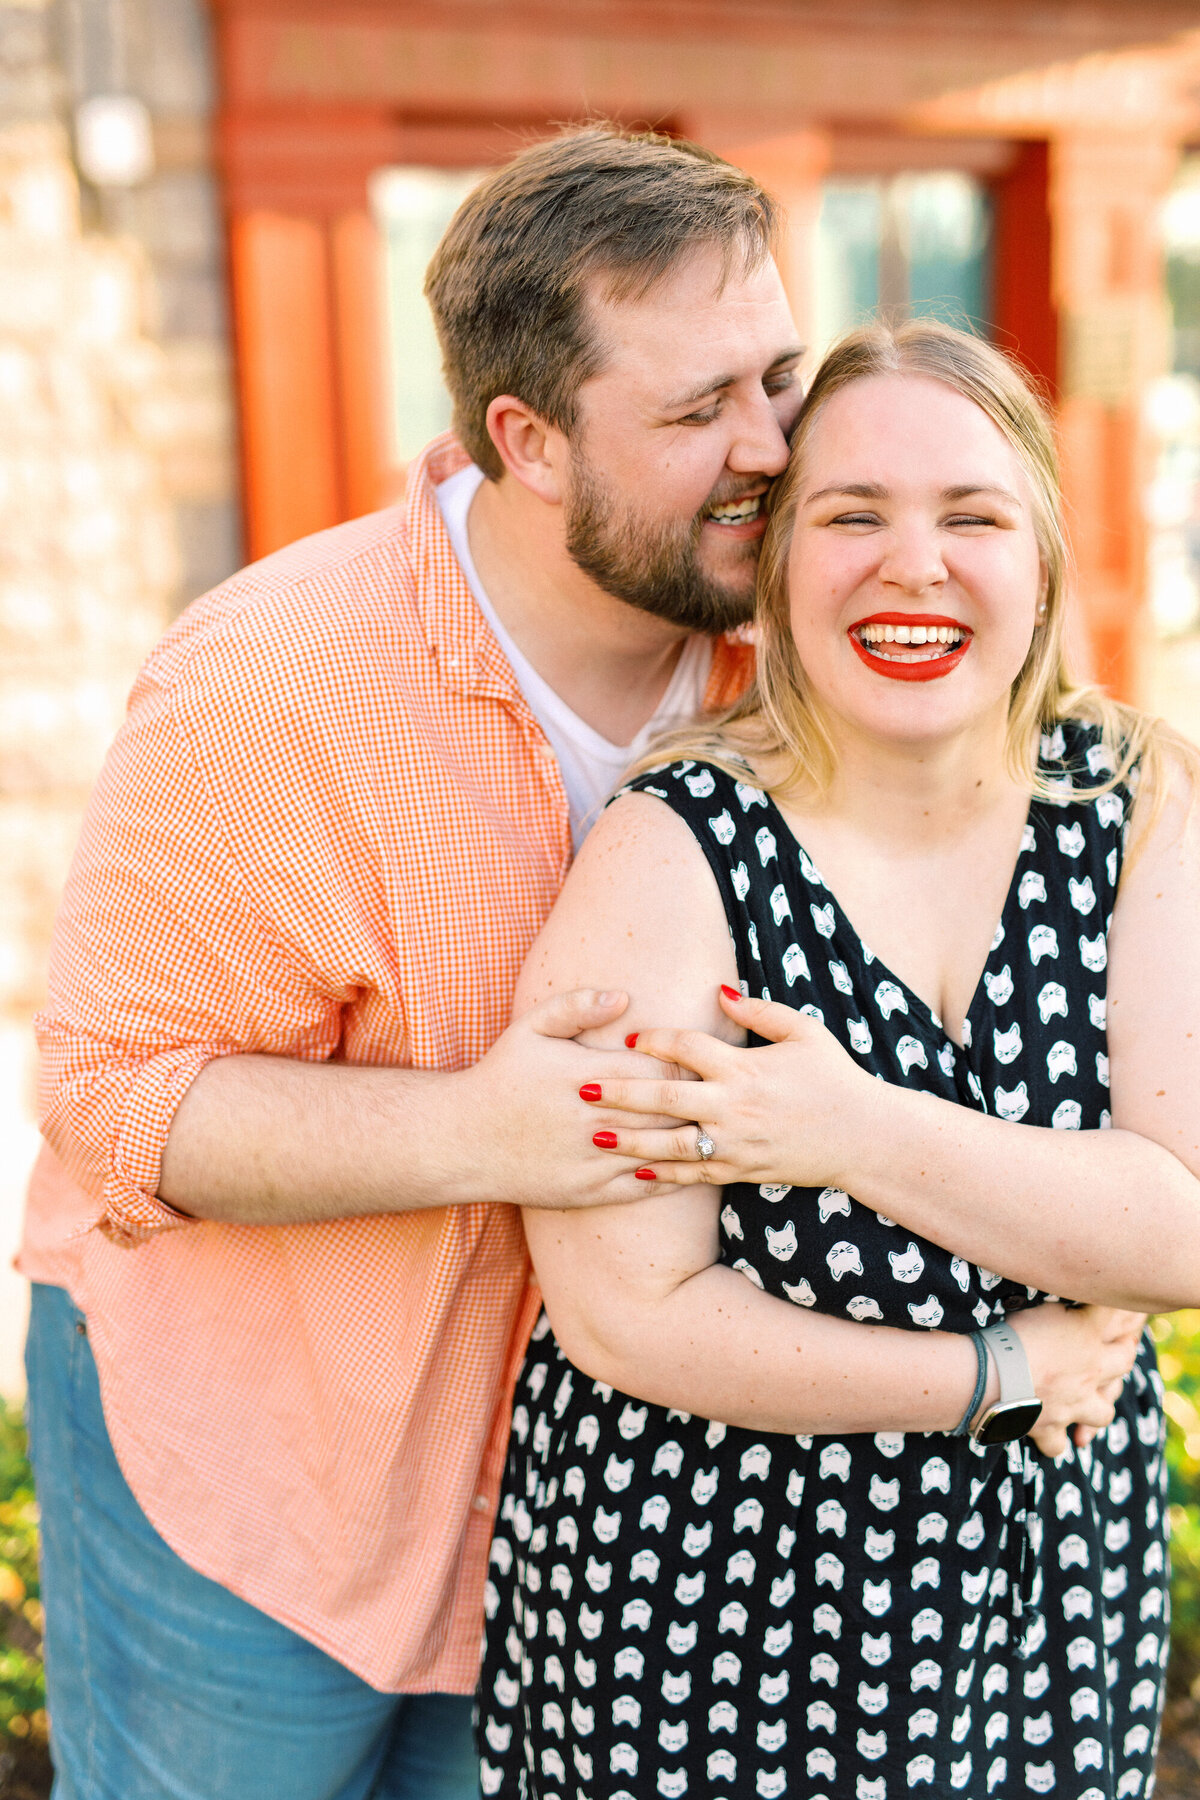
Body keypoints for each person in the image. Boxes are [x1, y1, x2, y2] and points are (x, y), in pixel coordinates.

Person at [20, 126, 808, 1800]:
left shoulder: (799, 667)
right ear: (523, 437)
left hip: (576, 1511)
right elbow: (110, 1100)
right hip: (250, 1474)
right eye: (695, 413)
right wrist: (490, 1131)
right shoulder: (273, 685)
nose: (769, 450)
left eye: (779, 379)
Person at [480, 320, 1200, 1800]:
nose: (912, 564)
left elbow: (1182, 1221)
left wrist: (851, 1129)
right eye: (852, 516)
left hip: (1043, 1580)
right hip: (711, 1595)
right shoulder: (672, 843)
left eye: (973, 516)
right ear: (777, 562)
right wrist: (988, 1372)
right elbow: (629, 1316)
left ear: (1045, 557)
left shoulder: (1136, 803)